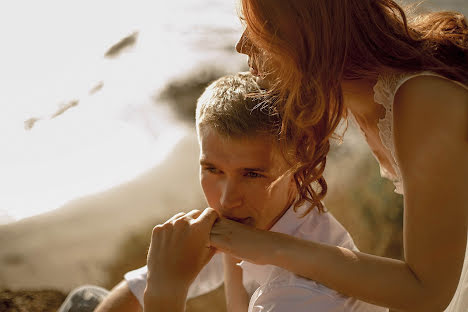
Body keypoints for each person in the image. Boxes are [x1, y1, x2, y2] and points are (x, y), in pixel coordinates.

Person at [208, 1, 468, 312]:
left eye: (258, 28)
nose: (241, 45)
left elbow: (426, 291)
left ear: (305, 32)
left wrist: (266, 247)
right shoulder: (370, 98)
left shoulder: (421, 99)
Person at [72, 72, 388, 312]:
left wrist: (166, 294)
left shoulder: (301, 296)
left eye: (252, 174)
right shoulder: (260, 218)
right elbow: (129, 296)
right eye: (212, 170)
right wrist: (157, 279)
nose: (226, 200)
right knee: (85, 298)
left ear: (299, 164)